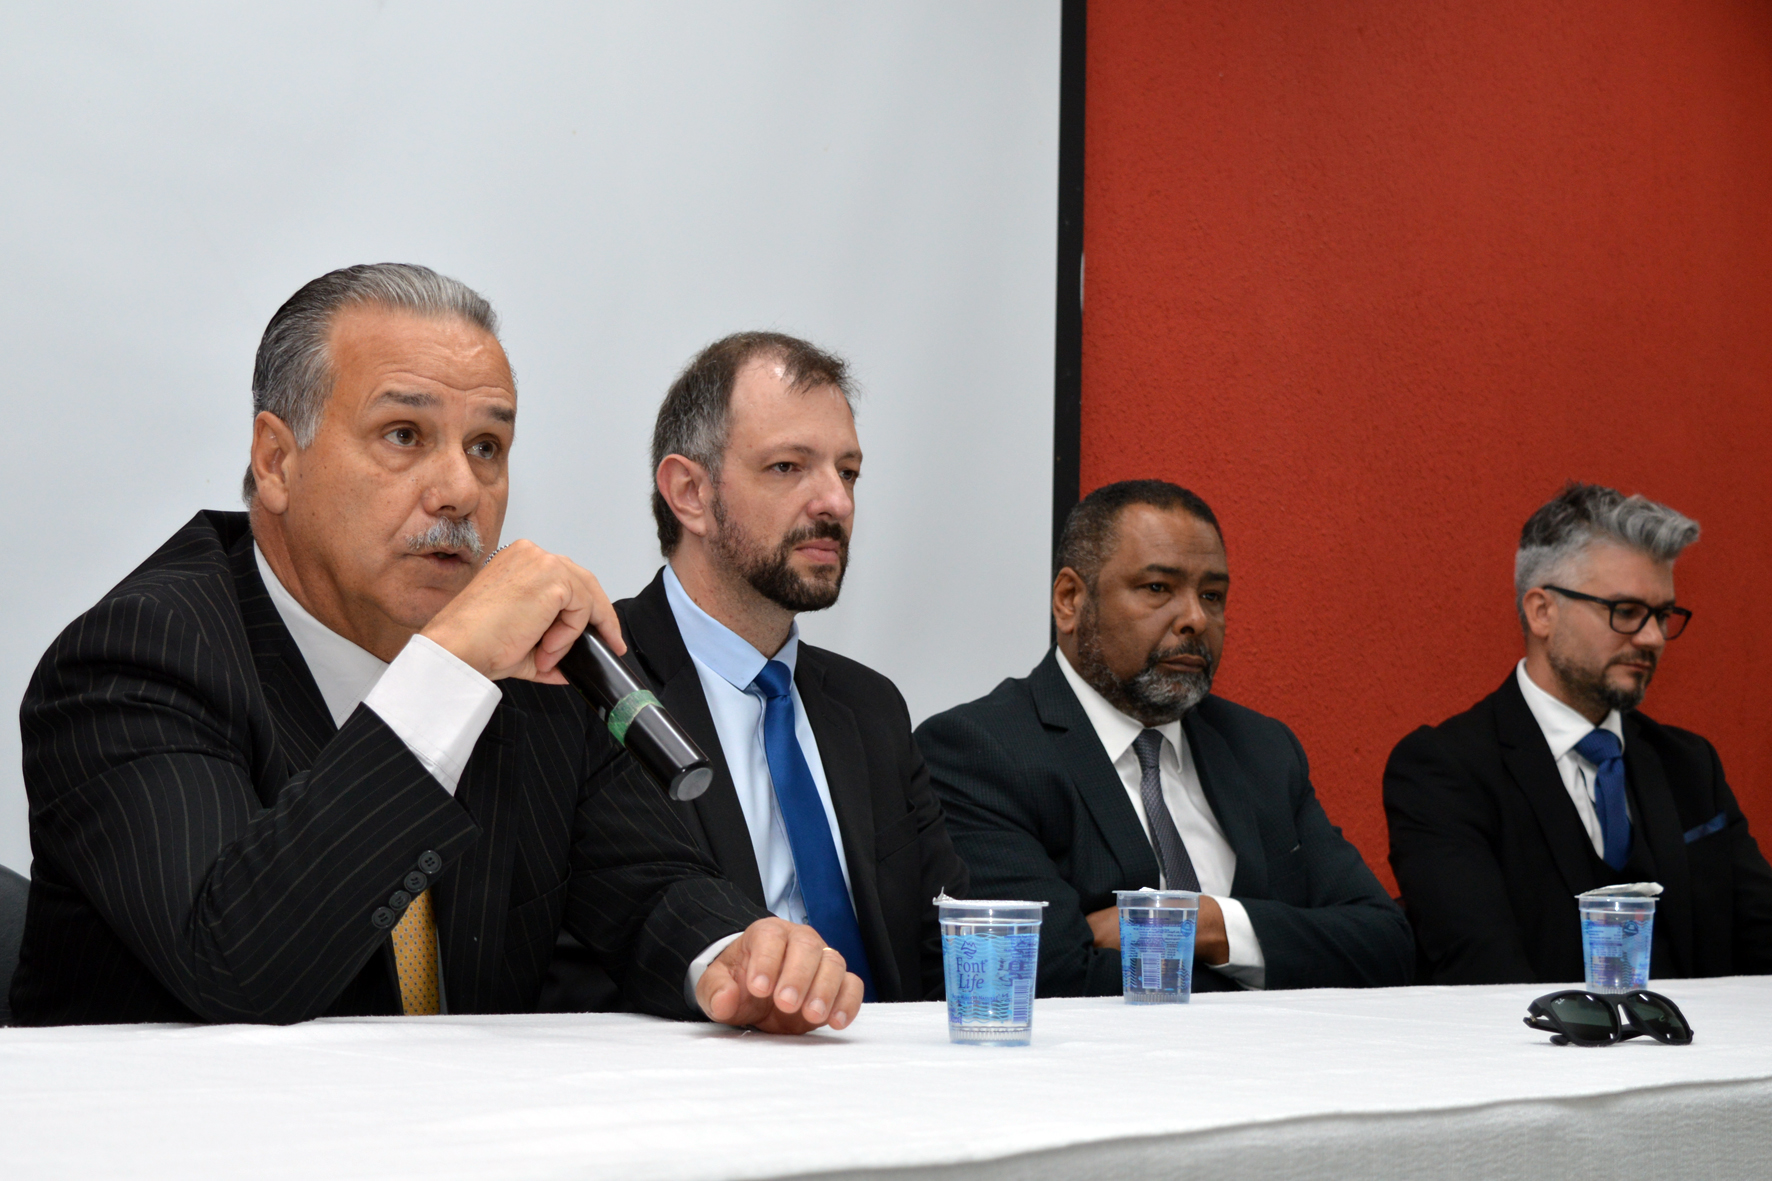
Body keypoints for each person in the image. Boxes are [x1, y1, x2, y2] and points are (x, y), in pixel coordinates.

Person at [10, 264, 863, 1031]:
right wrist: (443, 669)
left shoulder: (535, 669)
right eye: (404, 436)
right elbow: (236, 963)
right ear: (276, 461)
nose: (460, 489)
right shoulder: (135, 659)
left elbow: (650, 885)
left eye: (486, 448)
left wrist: (735, 954)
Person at [580, 332, 966, 1004]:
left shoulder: (870, 707)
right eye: (789, 467)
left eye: (848, 472)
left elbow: (944, 945)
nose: (837, 502)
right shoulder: (592, 680)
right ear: (690, 493)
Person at [915, 480, 1412, 996]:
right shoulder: (980, 750)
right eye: (1157, 588)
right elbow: (1046, 975)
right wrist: (1278, 959)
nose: (1195, 618)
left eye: (1212, 596)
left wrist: (1205, 926)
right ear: (1069, 600)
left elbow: (1386, 946)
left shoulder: (1261, 749)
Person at [1385, 483, 1772, 985]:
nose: (1652, 637)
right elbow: (1482, 973)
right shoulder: (1444, 771)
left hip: (1697, 1034)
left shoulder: (1690, 764)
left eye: (1662, 615)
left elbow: (1760, 933)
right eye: (1625, 611)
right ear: (1542, 612)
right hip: (1533, 1036)